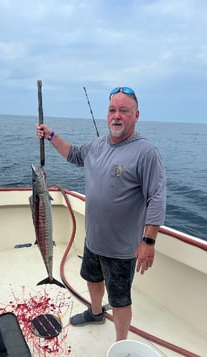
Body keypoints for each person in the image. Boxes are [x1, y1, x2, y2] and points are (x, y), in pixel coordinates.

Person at [36, 86, 166, 341]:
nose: (116, 116)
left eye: (124, 111)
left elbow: (157, 197)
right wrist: (50, 135)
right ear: (107, 115)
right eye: (112, 110)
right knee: (92, 279)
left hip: (121, 249)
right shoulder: (96, 145)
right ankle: (95, 313)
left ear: (136, 115)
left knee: (119, 300)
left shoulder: (146, 152)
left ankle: (120, 344)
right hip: (93, 239)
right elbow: (73, 154)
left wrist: (149, 241)